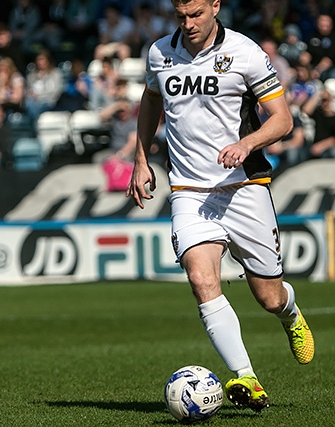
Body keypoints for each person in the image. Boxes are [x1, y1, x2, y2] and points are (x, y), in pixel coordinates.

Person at [126, 0, 314, 413]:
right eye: (180, 17)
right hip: (190, 191)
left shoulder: (245, 52)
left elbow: (282, 119)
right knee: (200, 278)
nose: (188, 24)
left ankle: (291, 313)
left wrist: (247, 143)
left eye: (195, 14)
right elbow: (151, 102)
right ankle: (246, 376)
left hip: (244, 186)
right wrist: (141, 159)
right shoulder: (159, 53)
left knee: (267, 296)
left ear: (215, 6)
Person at [24, 49, 64, 123]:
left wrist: (40, 97)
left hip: (50, 102)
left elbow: (57, 91)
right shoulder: (31, 75)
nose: (40, 62)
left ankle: (36, 123)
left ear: (48, 60)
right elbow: (29, 91)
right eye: (38, 60)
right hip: (35, 103)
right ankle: (37, 122)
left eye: (42, 59)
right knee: (29, 103)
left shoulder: (56, 73)